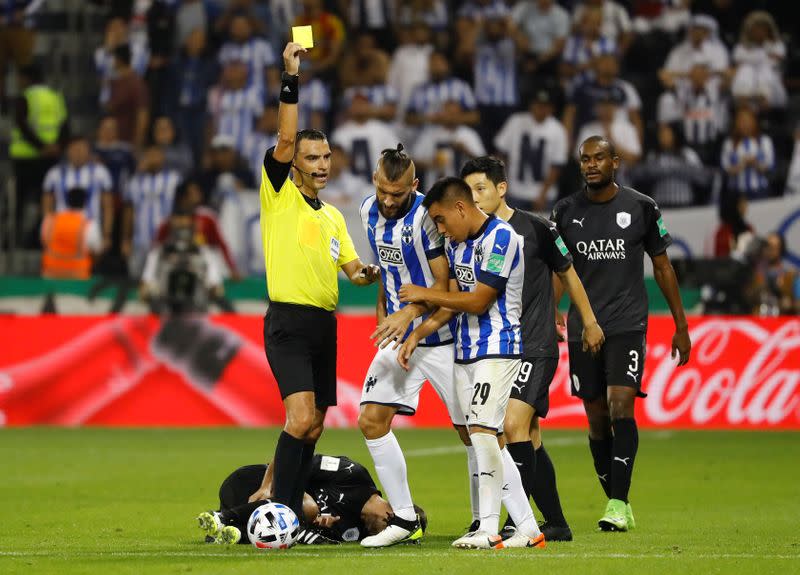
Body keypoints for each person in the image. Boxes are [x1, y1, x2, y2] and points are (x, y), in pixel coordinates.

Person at [247, 42, 380, 526]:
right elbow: (284, 136)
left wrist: (373, 272)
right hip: (288, 320)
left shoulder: (335, 219)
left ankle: (290, 506)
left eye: (326, 156)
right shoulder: (278, 193)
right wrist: (291, 77)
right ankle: (281, 511)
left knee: (316, 425)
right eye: (312, 156)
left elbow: (354, 273)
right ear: (295, 161)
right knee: (300, 419)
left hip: (326, 325)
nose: (322, 164)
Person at [550, 136, 692, 531]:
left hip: (628, 324)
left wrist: (681, 325)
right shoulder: (564, 211)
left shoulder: (642, 207)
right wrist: (552, 312)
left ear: (616, 161)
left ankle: (616, 502)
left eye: (599, 158)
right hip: (583, 327)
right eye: (584, 159)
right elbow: (561, 269)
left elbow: (662, 267)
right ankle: (617, 497)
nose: (591, 164)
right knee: (596, 417)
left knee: (620, 406)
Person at [461, 156, 605, 542]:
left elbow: (568, 272)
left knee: (510, 425)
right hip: (496, 347)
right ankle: (556, 523)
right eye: (468, 191)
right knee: (529, 437)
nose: (474, 198)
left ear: (501, 188)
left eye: (481, 189)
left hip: (533, 345)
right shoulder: (470, 237)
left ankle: (514, 521)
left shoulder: (537, 228)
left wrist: (587, 320)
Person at [397, 177, 545, 550]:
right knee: (491, 438)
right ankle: (528, 527)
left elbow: (478, 301)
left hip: (497, 348)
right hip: (464, 352)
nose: (441, 229)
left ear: (461, 208)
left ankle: (489, 527)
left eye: (442, 220)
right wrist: (417, 334)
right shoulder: (457, 243)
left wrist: (423, 293)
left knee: (481, 431)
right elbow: (453, 302)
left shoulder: (502, 238)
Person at [355, 145, 467, 548]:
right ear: (374, 180)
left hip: (441, 338)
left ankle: (484, 520)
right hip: (399, 337)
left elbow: (445, 286)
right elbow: (386, 273)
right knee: (370, 420)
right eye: (383, 190)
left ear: (414, 186)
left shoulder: (428, 218)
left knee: (472, 431)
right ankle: (404, 518)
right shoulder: (367, 211)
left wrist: (409, 314)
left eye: (397, 194)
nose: (388, 200)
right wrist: (385, 316)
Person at [197, 454, 427, 545]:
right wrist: (267, 486)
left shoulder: (355, 533)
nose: (381, 537)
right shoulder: (352, 474)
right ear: (390, 516)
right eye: (387, 533)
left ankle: (232, 534)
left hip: (261, 518)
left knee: (303, 516)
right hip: (250, 484)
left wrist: (317, 526)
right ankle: (221, 517)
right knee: (306, 507)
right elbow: (292, 456)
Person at [40, 187, 102, 279]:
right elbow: (97, 252)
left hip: (50, 275)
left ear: (67, 201)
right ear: (85, 202)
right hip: (78, 277)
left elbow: (44, 243)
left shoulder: (50, 221)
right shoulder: (89, 225)